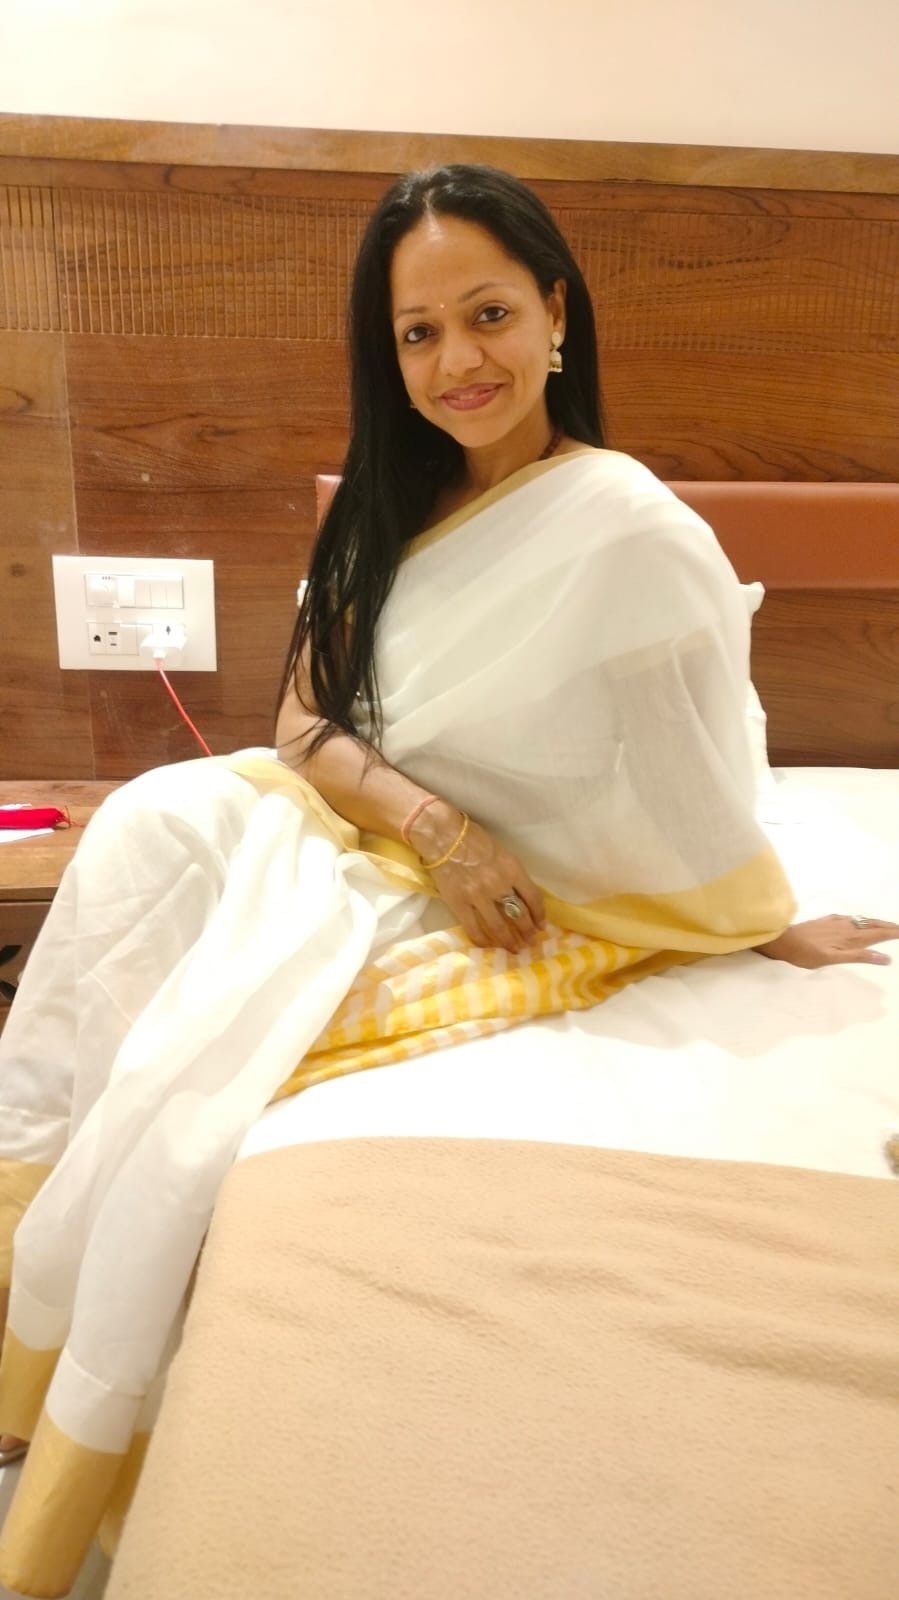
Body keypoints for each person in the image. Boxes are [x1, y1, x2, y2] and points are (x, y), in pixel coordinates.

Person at [0, 163, 896, 1594]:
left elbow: (691, 773)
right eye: (417, 333)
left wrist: (758, 921)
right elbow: (302, 724)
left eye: (487, 314)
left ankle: (91, 1331)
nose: (456, 361)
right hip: (360, 828)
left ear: (556, 313)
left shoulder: (631, 529)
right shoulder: (380, 502)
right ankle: (24, 1268)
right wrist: (435, 827)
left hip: (520, 882)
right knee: (150, 826)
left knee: (218, 1036)